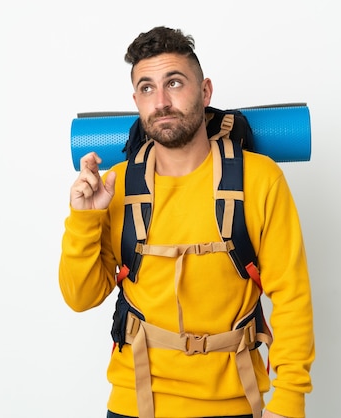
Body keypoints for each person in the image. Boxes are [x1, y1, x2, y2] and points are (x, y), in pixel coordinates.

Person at [59, 26, 314, 418]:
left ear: (206, 91)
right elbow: (81, 297)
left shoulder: (259, 179)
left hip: (236, 403)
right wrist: (84, 218)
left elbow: (292, 297)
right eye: (146, 88)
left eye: (174, 83)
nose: (161, 101)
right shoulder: (117, 184)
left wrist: (290, 400)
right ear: (136, 101)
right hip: (134, 401)